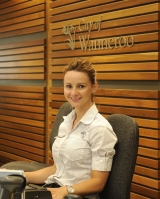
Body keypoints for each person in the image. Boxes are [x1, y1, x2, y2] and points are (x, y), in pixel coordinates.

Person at [24, 58, 118, 199]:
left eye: (80, 86)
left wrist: (66, 190)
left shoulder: (100, 129)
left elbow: (98, 182)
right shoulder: (67, 122)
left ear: (94, 87)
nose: (73, 93)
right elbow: (56, 170)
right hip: (56, 189)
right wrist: (20, 175)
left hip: (75, 196)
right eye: (68, 86)